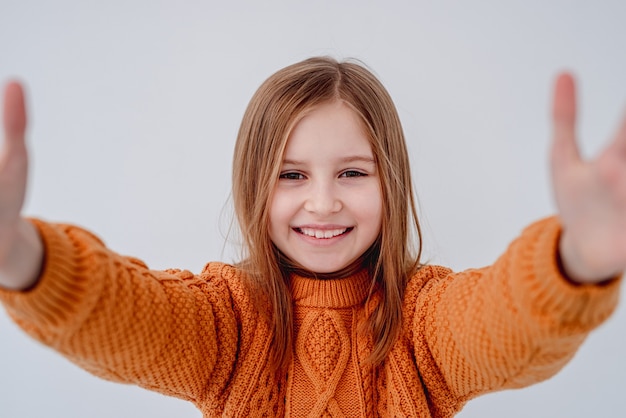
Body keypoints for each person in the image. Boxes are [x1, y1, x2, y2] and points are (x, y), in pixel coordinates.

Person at [0, 57, 623, 417]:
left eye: (352, 173)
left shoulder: (422, 321)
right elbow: (126, 317)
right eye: (291, 175)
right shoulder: (228, 322)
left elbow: (501, 322)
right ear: (252, 184)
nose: (323, 201)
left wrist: (576, 261)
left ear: (393, 182)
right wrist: (20, 254)